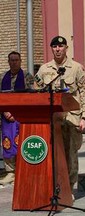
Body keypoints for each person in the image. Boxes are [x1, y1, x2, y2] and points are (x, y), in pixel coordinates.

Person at [34, 36, 85, 197]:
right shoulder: (44, 69)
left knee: (70, 153)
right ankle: (54, 186)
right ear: (51, 49)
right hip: (51, 118)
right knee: (52, 153)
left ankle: (69, 187)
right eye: (54, 46)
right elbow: (37, 91)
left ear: (66, 48)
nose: (57, 49)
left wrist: (84, 117)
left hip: (72, 118)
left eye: (60, 46)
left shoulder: (76, 68)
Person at [0, 51, 34, 185]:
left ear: (20, 61)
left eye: (16, 60)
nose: (14, 62)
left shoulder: (27, 77)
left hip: (21, 117)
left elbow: (31, 97)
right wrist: (5, 111)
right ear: (8, 62)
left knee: (21, 141)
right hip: (6, 116)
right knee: (7, 142)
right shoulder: (2, 77)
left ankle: (22, 170)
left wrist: (17, 112)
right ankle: (10, 172)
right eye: (11, 60)